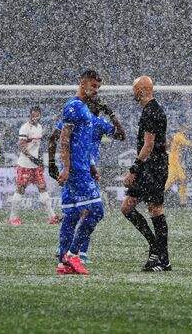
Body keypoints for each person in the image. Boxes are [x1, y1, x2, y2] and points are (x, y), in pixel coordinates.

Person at [48, 96, 125, 262]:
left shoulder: (76, 116)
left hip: (76, 166)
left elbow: (54, 137)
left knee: (74, 211)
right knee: (90, 210)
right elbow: (121, 135)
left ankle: (65, 249)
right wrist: (110, 113)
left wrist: (53, 162)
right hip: (83, 169)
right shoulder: (96, 121)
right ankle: (78, 252)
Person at [55, 69, 105, 275]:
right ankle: (72, 255)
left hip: (83, 167)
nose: (96, 91)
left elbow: (79, 140)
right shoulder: (74, 107)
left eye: (98, 87)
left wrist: (91, 165)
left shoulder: (82, 108)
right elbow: (64, 139)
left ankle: (62, 263)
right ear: (83, 84)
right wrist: (66, 168)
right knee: (97, 211)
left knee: (73, 215)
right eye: (93, 86)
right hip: (76, 170)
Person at [121, 75, 171, 272]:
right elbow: (163, 142)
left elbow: (148, 145)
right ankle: (155, 247)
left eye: (134, 88)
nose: (132, 91)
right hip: (152, 166)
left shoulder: (151, 112)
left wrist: (134, 170)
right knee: (127, 208)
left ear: (141, 90)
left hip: (153, 167)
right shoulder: (154, 110)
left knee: (155, 210)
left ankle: (163, 259)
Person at [7, 106, 57, 225]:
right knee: (20, 190)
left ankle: (52, 217)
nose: (35, 117)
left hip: (36, 166)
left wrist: (39, 160)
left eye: (37, 115)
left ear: (40, 115)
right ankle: (13, 219)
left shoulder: (39, 127)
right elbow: (22, 146)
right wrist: (33, 159)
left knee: (43, 188)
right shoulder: (25, 128)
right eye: (33, 115)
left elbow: (37, 146)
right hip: (25, 165)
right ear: (30, 115)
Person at [165, 123, 192, 206]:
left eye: (187, 129)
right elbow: (191, 145)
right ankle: (154, 196)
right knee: (172, 181)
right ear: (181, 129)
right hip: (173, 161)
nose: (187, 131)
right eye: (185, 129)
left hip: (175, 160)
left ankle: (182, 201)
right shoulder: (179, 137)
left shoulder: (180, 136)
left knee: (181, 180)